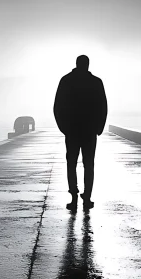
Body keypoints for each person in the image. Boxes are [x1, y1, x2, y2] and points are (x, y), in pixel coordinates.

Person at [54, 55, 108, 209]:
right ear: (87, 65)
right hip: (89, 130)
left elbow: (57, 106)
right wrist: (99, 127)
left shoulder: (66, 80)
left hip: (72, 130)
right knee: (88, 164)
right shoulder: (96, 82)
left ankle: (74, 197)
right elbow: (103, 106)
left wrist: (64, 128)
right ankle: (87, 197)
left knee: (72, 164)